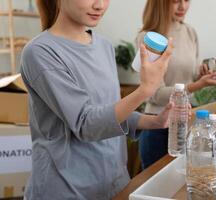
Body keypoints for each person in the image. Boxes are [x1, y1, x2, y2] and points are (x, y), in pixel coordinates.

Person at [20, 0, 174, 199]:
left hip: (114, 184)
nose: (100, 5)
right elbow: (86, 124)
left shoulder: (104, 46)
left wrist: (154, 121)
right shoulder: (40, 52)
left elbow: (109, 112)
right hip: (68, 190)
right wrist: (145, 90)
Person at [136, 0, 216, 169]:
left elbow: (189, 77)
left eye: (186, 0)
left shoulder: (190, 32)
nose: (182, 7)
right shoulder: (149, 37)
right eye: (176, 1)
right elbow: (155, 94)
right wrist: (197, 85)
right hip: (157, 123)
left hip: (185, 122)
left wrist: (203, 74)